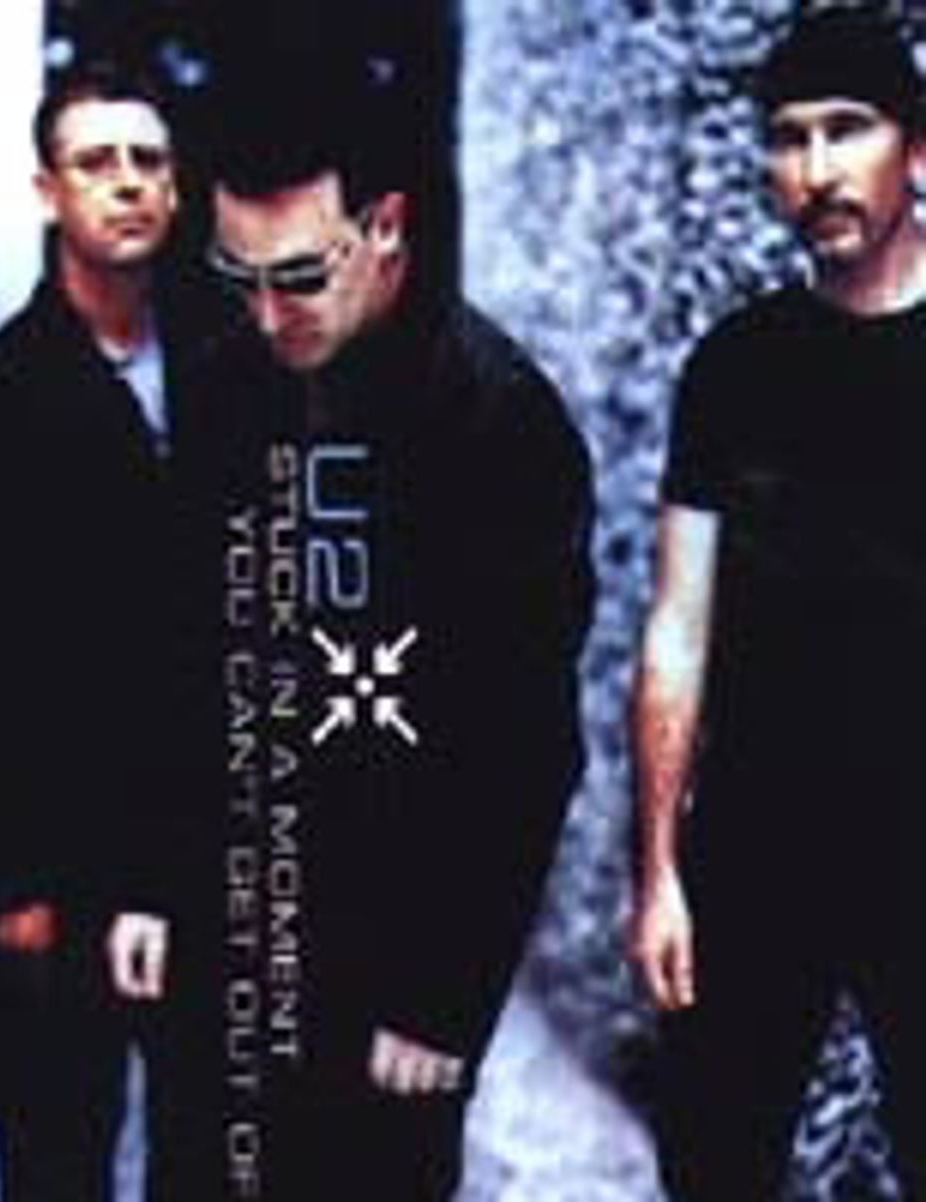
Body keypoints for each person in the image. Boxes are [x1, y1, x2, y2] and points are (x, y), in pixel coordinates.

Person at [181, 60, 595, 1200]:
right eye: (238, 277)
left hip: (390, 975)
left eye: (300, 277)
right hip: (229, 950)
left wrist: (441, 994)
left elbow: (522, 742)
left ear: (386, 226)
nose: (267, 315)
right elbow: (179, 662)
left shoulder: (497, 422)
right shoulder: (226, 388)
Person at [0, 59, 222, 1201]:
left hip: (206, 861)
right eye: (96, 162)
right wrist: (5, 890)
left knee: (216, 1162)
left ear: (176, 188)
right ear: (48, 190)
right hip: (57, 876)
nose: (126, 183)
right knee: (55, 1167)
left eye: (148, 161)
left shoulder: (237, 372)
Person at [630, 8, 926, 1200]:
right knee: (711, 1164)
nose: (815, 169)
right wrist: (658, 871)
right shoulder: (733, 369)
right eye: (788, 138)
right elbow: (675, 625)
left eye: (846, 130)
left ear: (915, 149)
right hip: (755, 844)